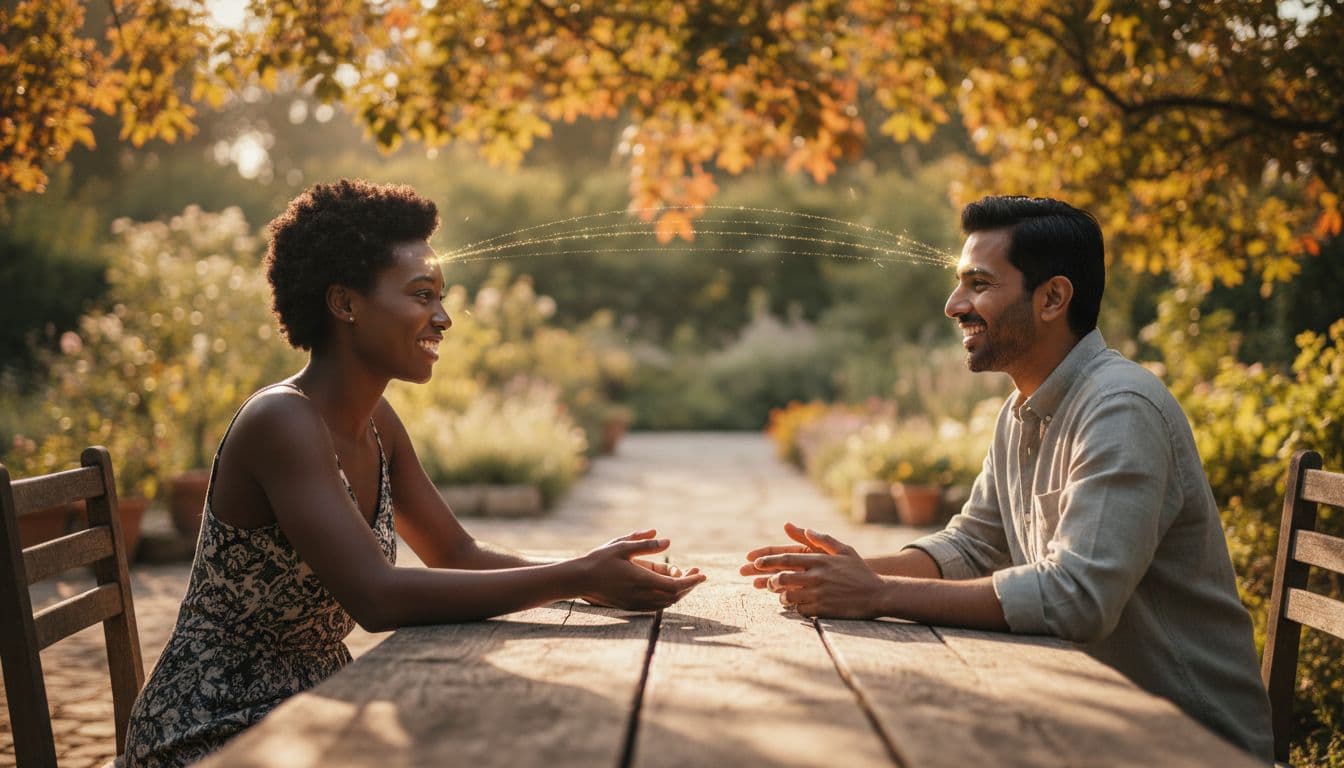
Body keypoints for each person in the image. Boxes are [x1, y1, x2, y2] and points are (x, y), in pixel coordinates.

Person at [121, 179, 705, 767]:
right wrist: (571, 576)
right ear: (345, 304)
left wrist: (589, 577)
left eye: (441, 296)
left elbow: (456, 551)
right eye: (422, 295)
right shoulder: (283, 422)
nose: (444, 317)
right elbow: (379, 597)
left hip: (314, 707)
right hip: (216, 728)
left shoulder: (375, 420)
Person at [740, 196, 1273, 758]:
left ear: (1052, 298)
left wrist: (877, 593)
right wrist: (839, 573)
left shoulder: (1121, 409)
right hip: (1086, 722)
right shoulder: (1022, 410)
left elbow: (1078, 598)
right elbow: (973, 546)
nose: (953, 305)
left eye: (979, 284)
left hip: (1189, 744)